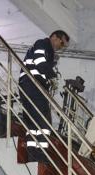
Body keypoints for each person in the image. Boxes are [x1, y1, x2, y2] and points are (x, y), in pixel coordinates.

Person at [19, 30, 70, 162]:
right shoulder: (42, 44)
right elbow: (40, 63)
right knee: (43, 120)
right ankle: (41, 154)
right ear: (54, 37)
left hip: (28, 84)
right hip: (33, 84)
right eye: (62, 42)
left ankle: (33, 153)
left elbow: (42, 66)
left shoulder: (47, 51)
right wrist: (52, 76)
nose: (62, 46)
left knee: (32, 121)